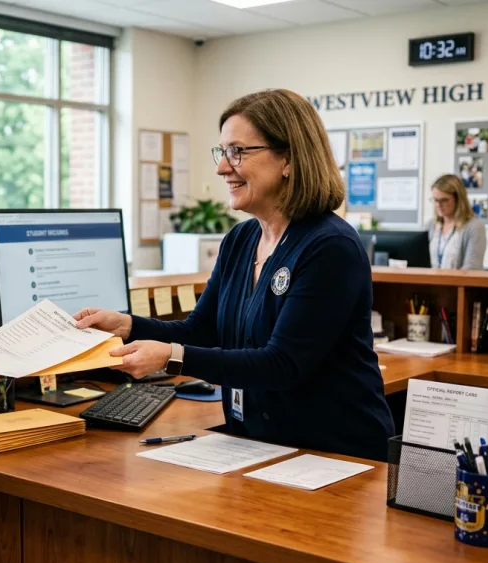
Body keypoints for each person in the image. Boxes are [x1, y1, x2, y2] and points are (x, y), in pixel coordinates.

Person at [74, 89, 395, 461]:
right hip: (258, 445)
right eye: (222, 152)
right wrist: (128, 325)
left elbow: (283, 365)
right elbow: (203, 330)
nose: (222, 167)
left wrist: (170, 356)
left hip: (335, 455)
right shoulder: (241, 240)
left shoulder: (330, 246)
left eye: (237, 152)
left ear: (288, 159)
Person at [427, 174, 487, 270]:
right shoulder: (431, 225)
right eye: (435, 200)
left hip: (458, 284)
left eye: (444, 200)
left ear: (458, 199)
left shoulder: (474, 227)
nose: (438, 205)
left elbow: (472, 268)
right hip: (430, 284)